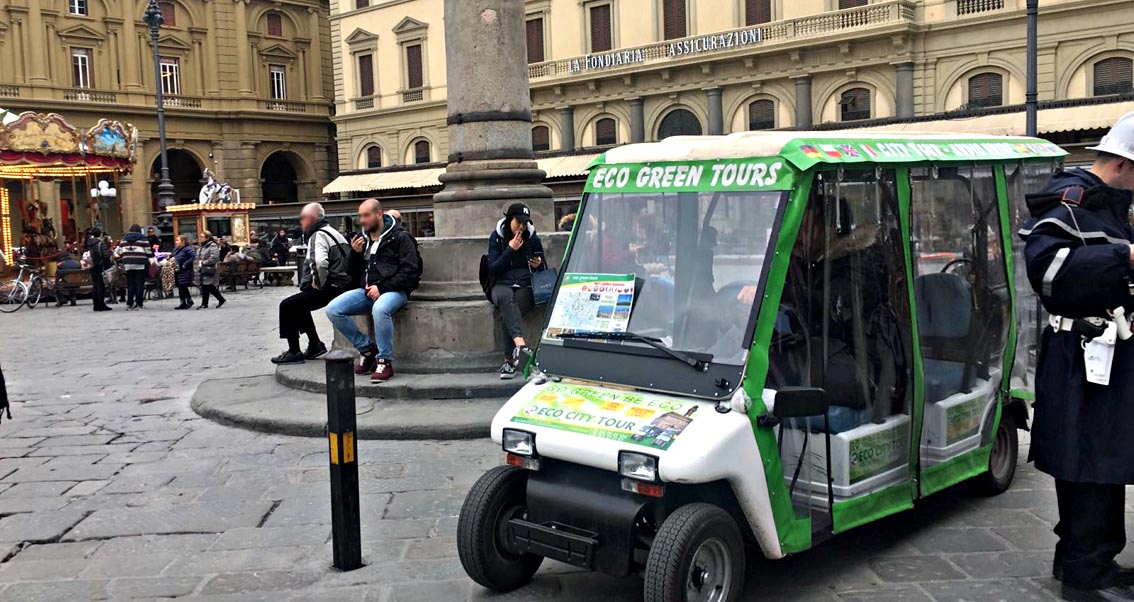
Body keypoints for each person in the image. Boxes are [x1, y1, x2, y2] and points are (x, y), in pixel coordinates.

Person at [1021, 113, 1134, 602]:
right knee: (1090, 460)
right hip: (1082, 355)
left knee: (1100, 459)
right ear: (1125, 165)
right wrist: (1125, 259)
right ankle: (1087, 574)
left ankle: (1086, 560)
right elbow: (1047, 272)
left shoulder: (1108, 206)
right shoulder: (1071, 200)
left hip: (1101, 354)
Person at [325, 198, 422, 381]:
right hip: (367, 291)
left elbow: (411, 271)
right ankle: (367, 349)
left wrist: (383, 287)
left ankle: (385, 360)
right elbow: (351, 274)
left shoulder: (401, 237)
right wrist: (355, 254)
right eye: (360, 215)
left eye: (366, 215)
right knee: (333, 309)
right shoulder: (363, 239)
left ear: (379, 214)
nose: (362, 220)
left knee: (380, 308)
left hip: (394, 291)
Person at [272, 204, 351, 364]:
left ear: (311, 219)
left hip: (332, 287)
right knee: (300, 304)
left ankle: (294, 351)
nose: (301, 222)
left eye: (303, 218)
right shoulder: (333, 232)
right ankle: (315, 344)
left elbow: (320, 262)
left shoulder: (318, 235)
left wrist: (318, 283)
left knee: (287, 305)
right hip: (342, 284)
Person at [487, 203, 546, 379]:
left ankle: (509, 361)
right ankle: (520, 345)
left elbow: (543, 267)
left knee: (511, 311)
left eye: (525, 223)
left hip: (525, 285)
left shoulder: (532, 238)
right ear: (509, 219)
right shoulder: (496, 238)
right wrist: (510, 250)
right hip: (501, 284)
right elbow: (493, 268)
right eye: (518, 222)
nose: (521, 226)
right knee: (506, 299)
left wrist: (539, 264)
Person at [114, 224, 155, 311]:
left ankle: (129, 304)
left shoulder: (124, 239)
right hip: (140, 263)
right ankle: (139, 304)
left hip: (128, 263)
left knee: (130, 284)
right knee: (139, 284)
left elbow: (118, 251)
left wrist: (125, 255)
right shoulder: (143, 239)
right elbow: (148, 251)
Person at [196, 231, 226, 309]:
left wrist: (204, 262)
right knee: (208, 285)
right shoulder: (202, 246)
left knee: (205, 285)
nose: (200, 238)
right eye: (200, 236)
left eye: (202, 237)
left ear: (207, 238)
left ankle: (204, 304)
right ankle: (221, 299)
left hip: (209, 268)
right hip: (202, 268)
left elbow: (214, 257)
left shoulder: (212, 246)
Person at [86, 227, 112, 312]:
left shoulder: (89, 243)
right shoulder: (101, 244)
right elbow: (106, 255)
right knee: (101, 285)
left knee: (95, 285)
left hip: (92, 266)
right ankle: (101, 304)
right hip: (100, 266)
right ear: (100, 234)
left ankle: (96, 304)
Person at [172, 235, 196, 310]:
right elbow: (173, 255)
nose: (176, 242)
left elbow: (193, 256)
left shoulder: (187, 249)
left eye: (178, 240)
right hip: (178, 270)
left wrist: (186, 264)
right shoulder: (176, 249)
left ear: (183, 241)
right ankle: (185, 301)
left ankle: (186, 301)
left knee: (182, 286)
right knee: (181, 286)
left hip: (185, 270)